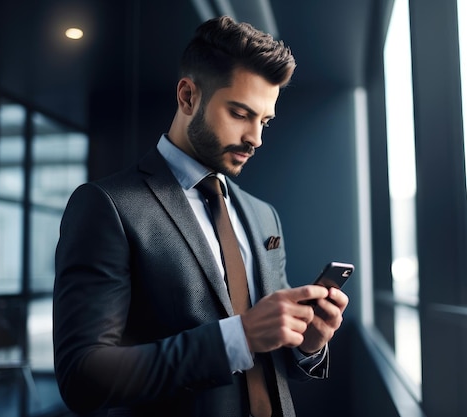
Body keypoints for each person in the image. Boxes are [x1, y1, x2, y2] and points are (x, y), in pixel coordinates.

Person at [53, 15, 349, 416]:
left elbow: (269, 354)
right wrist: (239, 337)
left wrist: (308, 343)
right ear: (188, 96)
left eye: (265, 121)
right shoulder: (107, 206)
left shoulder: (263, 217)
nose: (256, 138)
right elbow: (83, 377)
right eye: (241, 114)